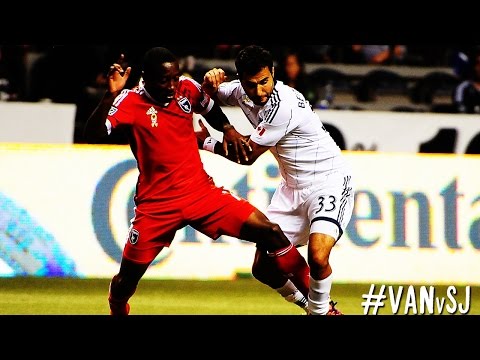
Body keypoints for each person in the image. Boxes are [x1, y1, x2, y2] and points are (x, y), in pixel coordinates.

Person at [83, 47, 311, 315]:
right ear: (145, 78)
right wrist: (110, 95)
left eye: (174, 78)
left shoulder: (186, 89)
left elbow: (210, 107)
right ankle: (117, 307)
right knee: (126, 280)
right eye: (163, 80)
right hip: (156, 207)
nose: (171, 86)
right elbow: (92, 134)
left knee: (271, 232)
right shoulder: (129, 102)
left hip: (201, 194)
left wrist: (227, 129)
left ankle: (316, 305)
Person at [199, 45, 355, 315]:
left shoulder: (285, 104)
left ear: (272, 73)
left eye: (264, 82)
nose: (259, 91)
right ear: (240, 80)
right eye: (251, 85)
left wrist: (206, 142)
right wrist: (209, 81)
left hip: (328, 180)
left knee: (318, 256)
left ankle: (321, 311)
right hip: (291, 188)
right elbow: (206, 96)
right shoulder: (239, 92)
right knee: (262, 269)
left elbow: (247, 156)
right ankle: (308, 305)